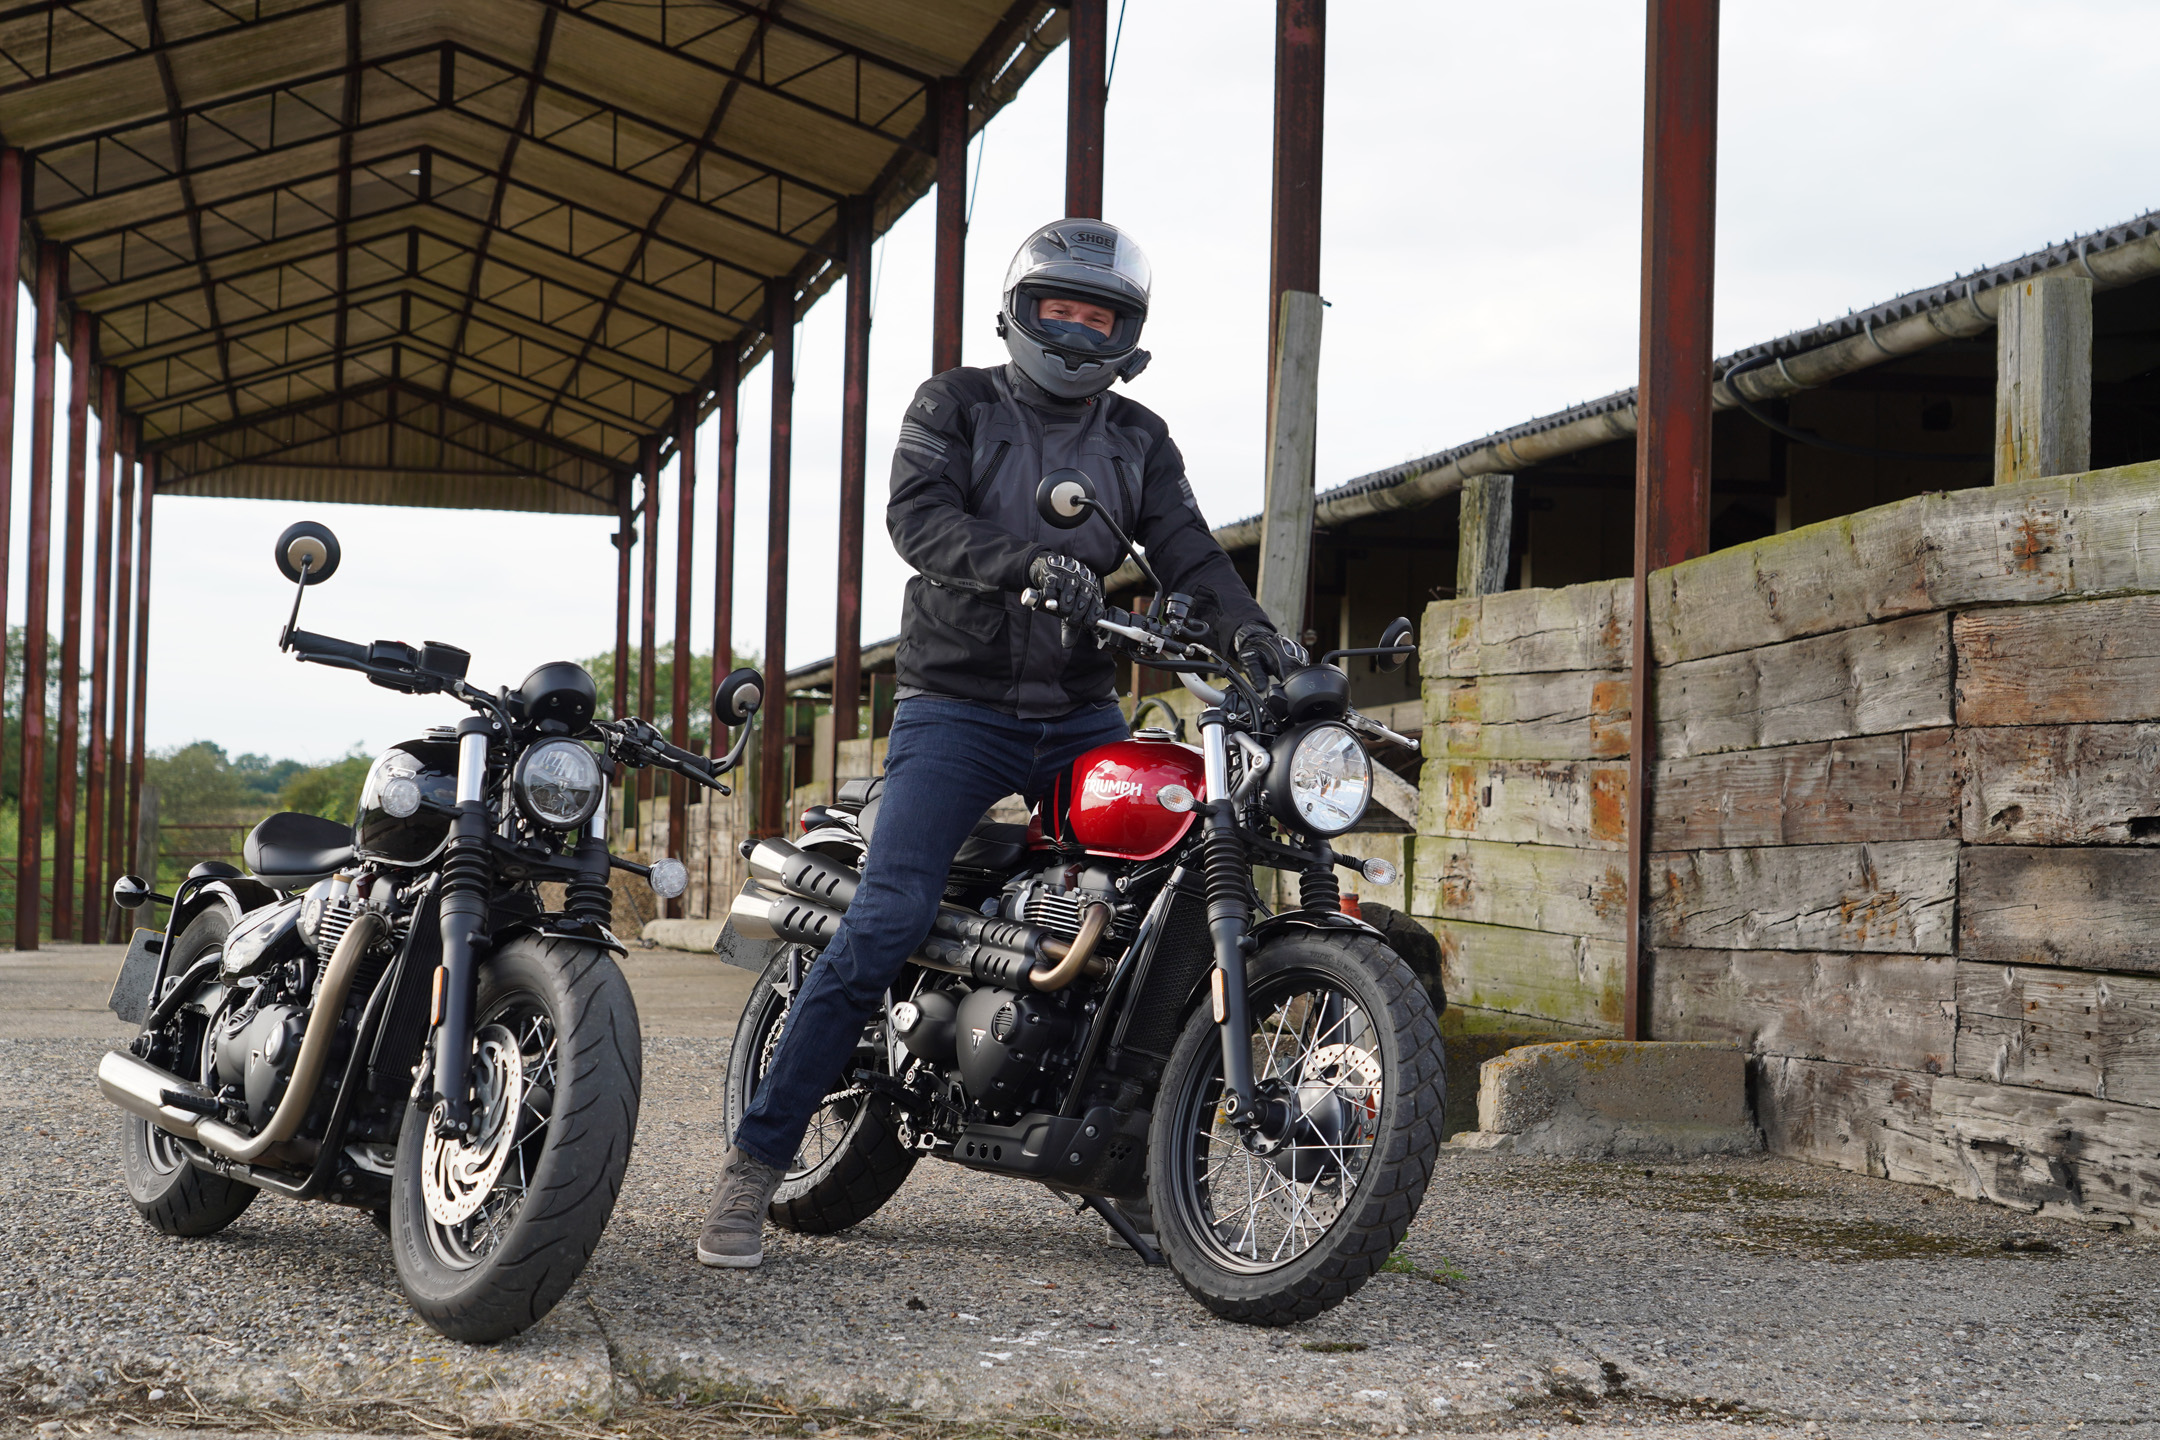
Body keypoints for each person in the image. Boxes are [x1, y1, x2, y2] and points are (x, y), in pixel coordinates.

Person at [696, 218, 1305, 1268]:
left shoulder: (1140, 439)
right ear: (1020, 313)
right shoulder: (957, 404)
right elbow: (915, 518)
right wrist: (1019, 563)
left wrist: (1258, 639)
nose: (1075, 332)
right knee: (885, 922)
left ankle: (1144, 1168)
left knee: (1163, 911)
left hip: (1079, 711)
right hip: (957, 706)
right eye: (1057, 310)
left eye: (1098, 316)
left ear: (1128, 334)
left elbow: (1190, 552)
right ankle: (753, 1170)